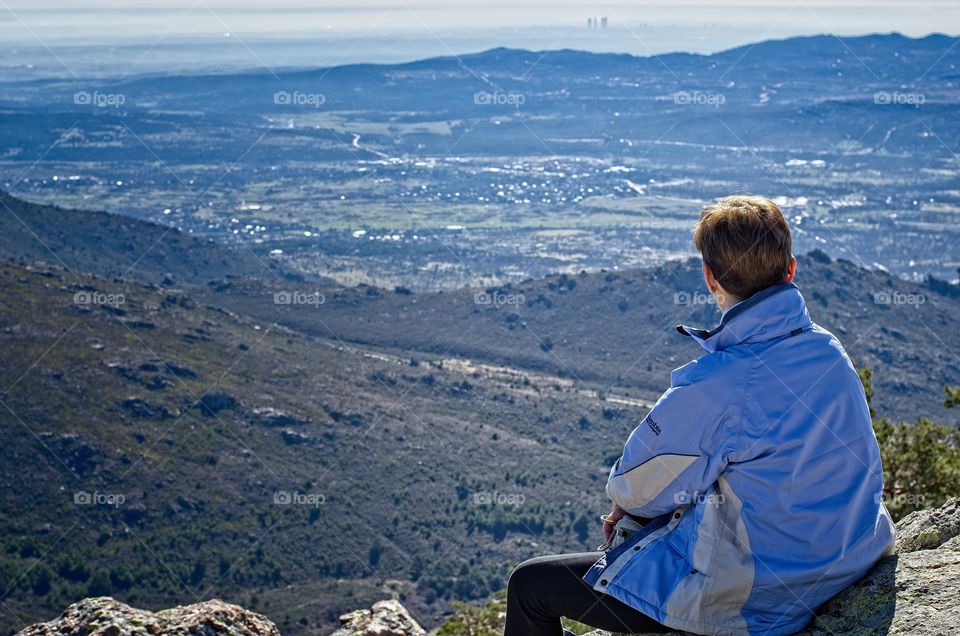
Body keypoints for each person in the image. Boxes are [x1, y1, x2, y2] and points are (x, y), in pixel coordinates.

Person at [504, 195, 895, 636]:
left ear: (710, 279)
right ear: (791, 269)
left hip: (760, 601)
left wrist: (631, 507)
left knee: (530, 584)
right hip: (850, 556)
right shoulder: (830, 350)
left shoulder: (719, 382)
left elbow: (633, 490)